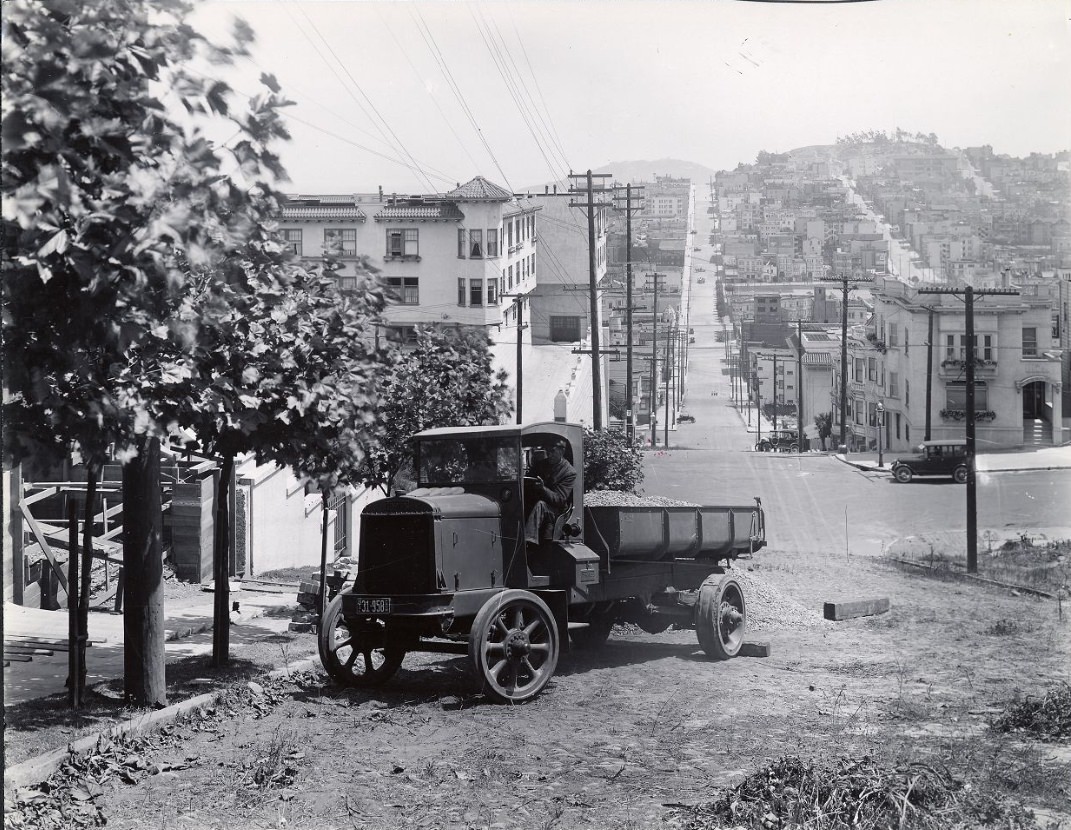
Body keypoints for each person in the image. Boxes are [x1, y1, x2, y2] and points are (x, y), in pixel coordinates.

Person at [524, 437, 576, 544]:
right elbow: (529, 479)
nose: (549, 455)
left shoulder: (569, 472)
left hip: (557, 511)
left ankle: (528, 540)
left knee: (540, 505)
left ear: (562, 451)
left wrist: (543, 489)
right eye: (547, 451)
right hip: (538, 505)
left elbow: (560, 499)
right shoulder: (541, 465)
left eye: (552, 451)